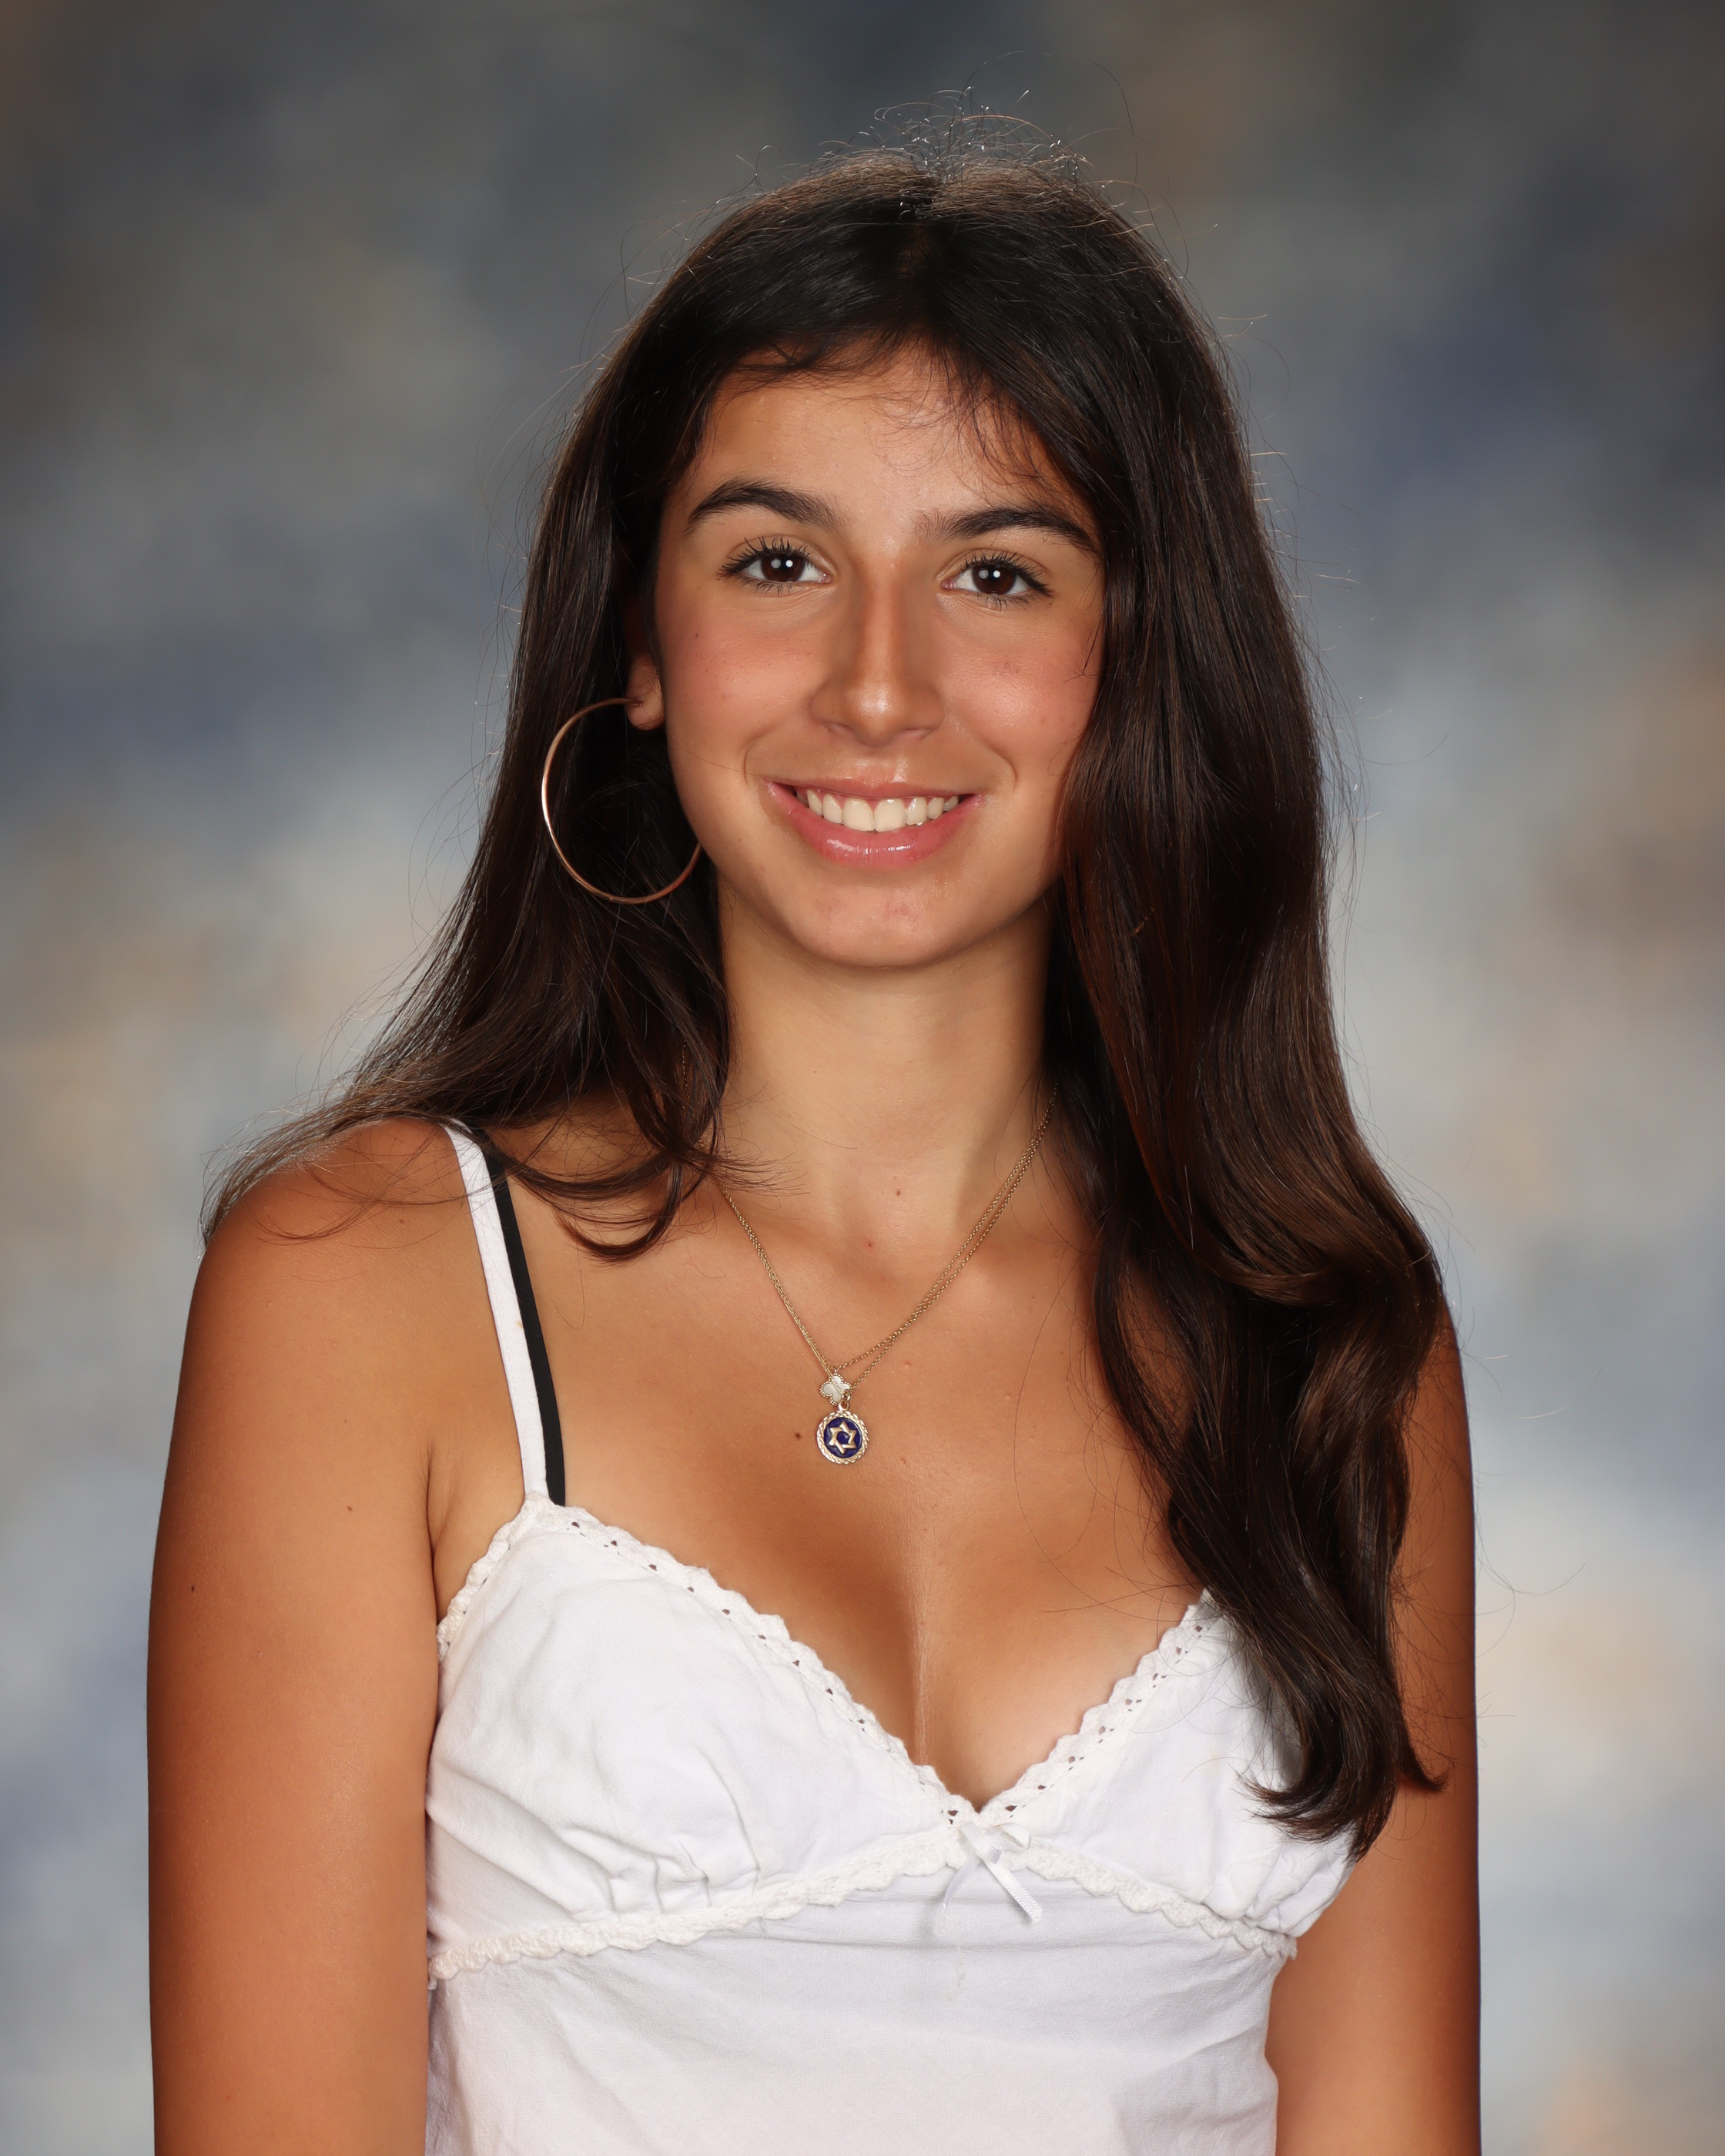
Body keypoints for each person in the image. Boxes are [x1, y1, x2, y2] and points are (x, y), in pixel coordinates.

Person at [148, 136, 1478, 2155]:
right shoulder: (368, 1287)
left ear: (1140, 658)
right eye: (777, 562)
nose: (877, 686)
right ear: (641, 641)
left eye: (997, 574)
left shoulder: (1330, 1337)